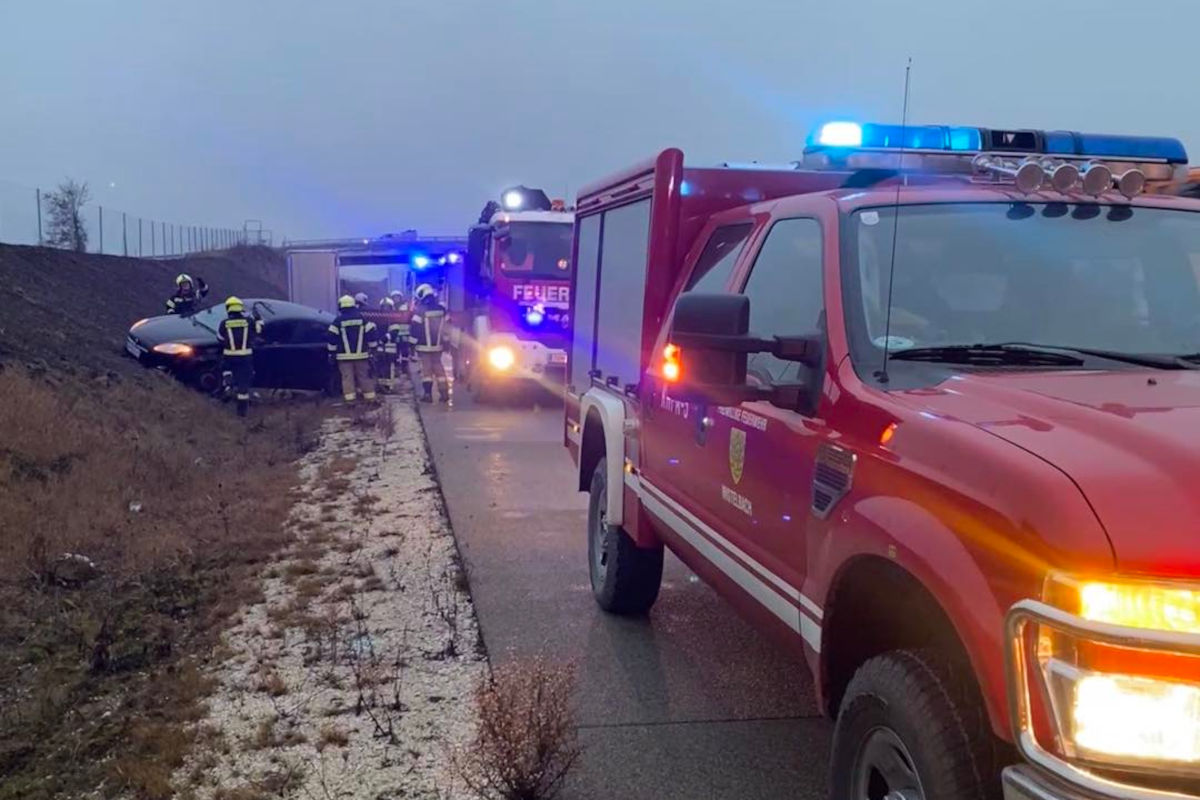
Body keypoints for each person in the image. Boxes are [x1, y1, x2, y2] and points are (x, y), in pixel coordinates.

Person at [328, 294, 379, 404]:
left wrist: (332, 353)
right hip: (362, 356)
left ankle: (351, 402)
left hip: (344, 357)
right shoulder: (362, 319)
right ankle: (370, 399)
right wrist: (373, 349)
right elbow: (372, 334)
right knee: (364, 377)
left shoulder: (338, 321)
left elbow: (331, 338)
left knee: (347, 379)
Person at [216, 296, 262, 417]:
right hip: (245, 357)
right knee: (243, 385)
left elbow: (220, 339)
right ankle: (241, 413)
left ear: (228, 309)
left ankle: (228, 384)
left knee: (225, 370)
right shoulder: (249, 321)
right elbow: (259, 330)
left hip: (229, 356)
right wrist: (258, 318)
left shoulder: (224, 323)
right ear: (240, 308)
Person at [409, 283, 449, 403]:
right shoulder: (442, 310)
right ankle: (444, 393)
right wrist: (446, 343)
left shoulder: (419, 311)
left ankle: (427, 395)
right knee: (439, 368)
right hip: (438, 346)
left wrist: (411, 345)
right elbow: (447, 328)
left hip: (423, 346)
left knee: (426, 370)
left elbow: (415, 330)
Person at [376, 297, 400, 391]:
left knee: (389, 369)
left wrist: (384, 338)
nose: (385, 309)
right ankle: (380, 386)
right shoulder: (376, 318)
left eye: (387, 307)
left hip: (390, 349)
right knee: (379, 368)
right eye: (384, 307)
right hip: (379, 349)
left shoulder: (394, 319)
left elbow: (394, 332)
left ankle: (388, 387)